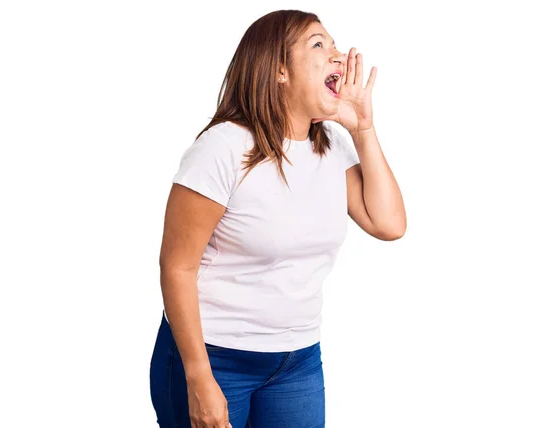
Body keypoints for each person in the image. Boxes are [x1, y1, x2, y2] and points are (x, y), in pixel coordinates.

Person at [149, 9, 406, 428]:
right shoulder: (224, 148)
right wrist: (198, 376)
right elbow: (177, 266)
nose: (338, 56)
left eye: (335, 44)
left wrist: (363, 129)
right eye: (319, 45)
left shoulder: (332, 148)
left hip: (297, 361)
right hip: (214, 356)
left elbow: (389, 224)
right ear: (279, 71)